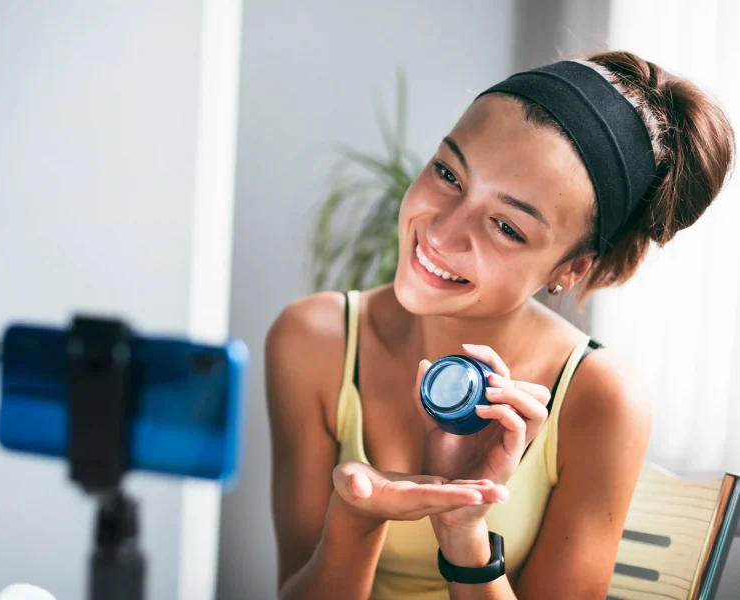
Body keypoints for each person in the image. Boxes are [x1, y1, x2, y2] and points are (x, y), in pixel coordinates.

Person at [265, 51, 735, 599]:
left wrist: (464, 530)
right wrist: (356, 519)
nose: (441, 233)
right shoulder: (313, 340)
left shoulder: (601, 397)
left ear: (568, 270)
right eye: (448, 173)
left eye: (507, 227)